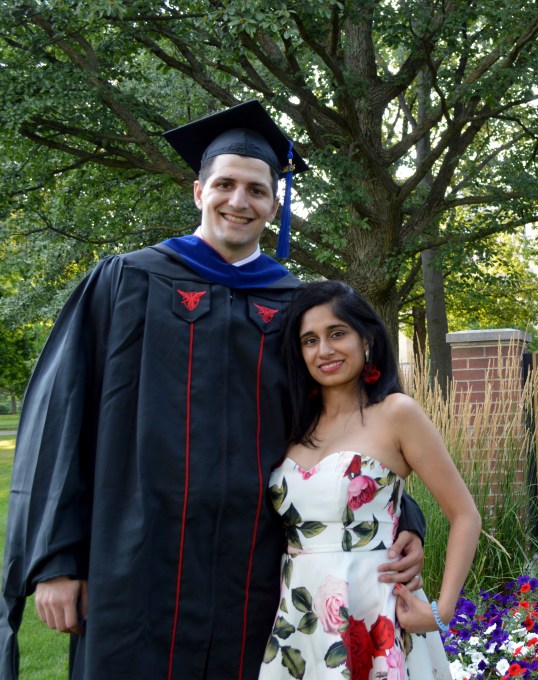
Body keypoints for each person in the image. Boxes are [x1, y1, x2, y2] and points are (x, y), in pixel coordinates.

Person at [0, 101, 425, 679]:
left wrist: (407, 525)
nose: (238, 201)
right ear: (198, 191)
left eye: (256, 189)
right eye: (224, 184)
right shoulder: (127, 283)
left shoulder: (295, 309)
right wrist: (55, 562)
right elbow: (60, 424)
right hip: (134, 561)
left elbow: (345, 425)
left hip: (254, 569)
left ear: (275, 203)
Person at [259, 280, 481, 680]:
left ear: (367, 340)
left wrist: (441, 611)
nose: (324, 350)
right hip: (299, 612)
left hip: (375, 606)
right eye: (310, 340)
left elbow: (465, 515)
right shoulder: (290, 424)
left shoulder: (397, 413)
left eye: (337, 333)